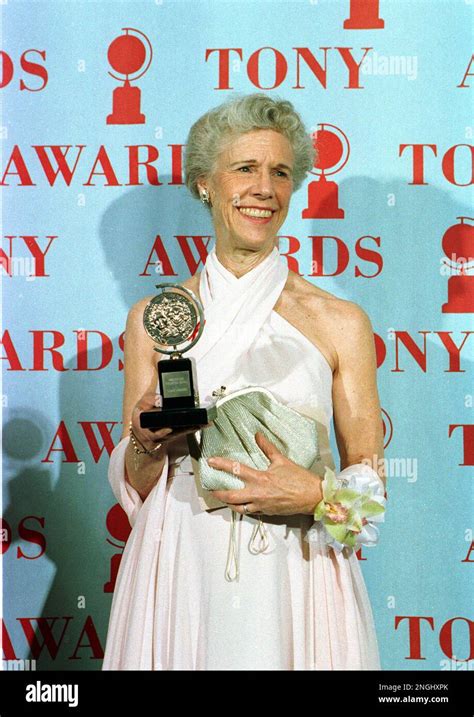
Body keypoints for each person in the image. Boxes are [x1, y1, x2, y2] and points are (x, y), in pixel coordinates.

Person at [102, 93, 387, 671]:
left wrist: (312, 495)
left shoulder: (340, 322)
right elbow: (138, 481)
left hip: (295, 564)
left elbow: (371, 497)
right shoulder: (154, 321)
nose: (264, 188)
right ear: (205, 183)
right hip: (181, 559)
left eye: (280, 172)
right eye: (246, 168)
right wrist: (148, 441)